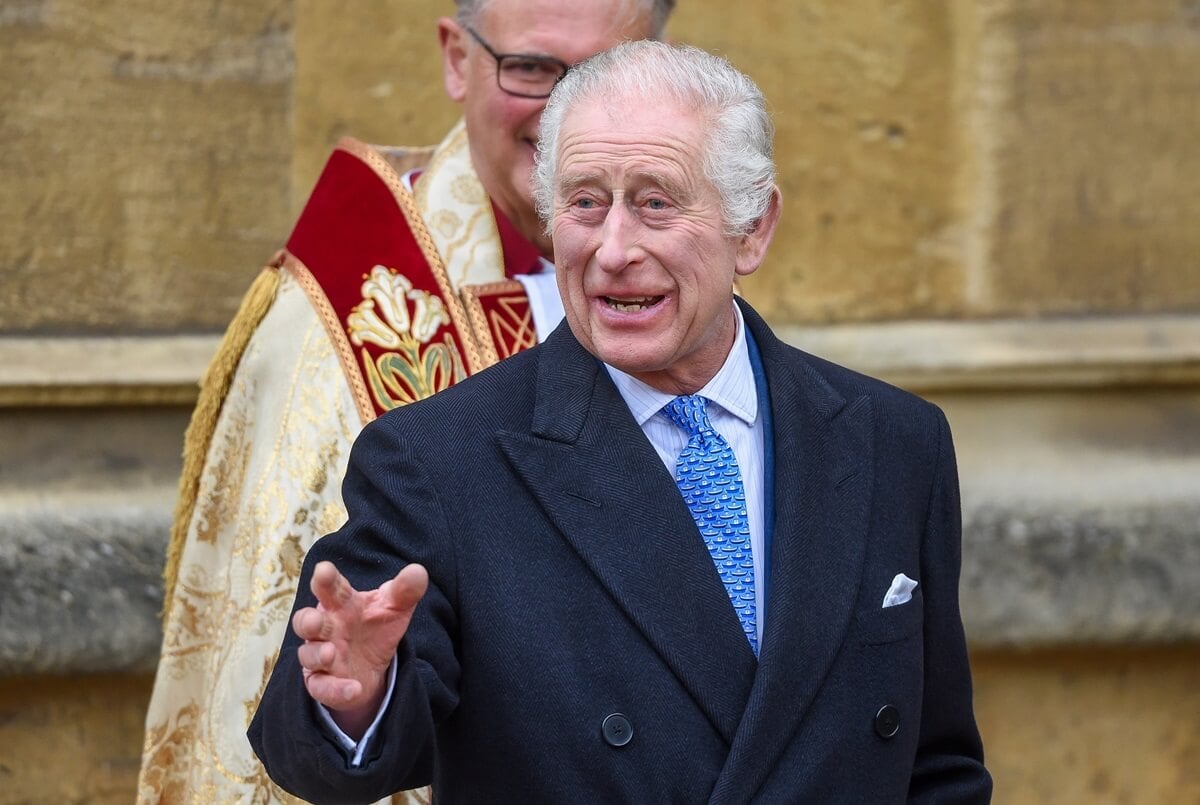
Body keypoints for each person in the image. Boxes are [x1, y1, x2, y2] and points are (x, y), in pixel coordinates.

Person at [249, 40, 993, 803]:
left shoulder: (896, 442)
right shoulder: (436, 462)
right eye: (584, 202)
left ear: (753, 230)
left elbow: (938, 768)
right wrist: (361, 695)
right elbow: (319, 750)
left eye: (655, 202)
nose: (612, 250)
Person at [136, 1, 676, 800]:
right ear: (458, 58)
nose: (570, 116)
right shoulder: (334, 330)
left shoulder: (693, 275)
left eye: (604, 72)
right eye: (532, 69)